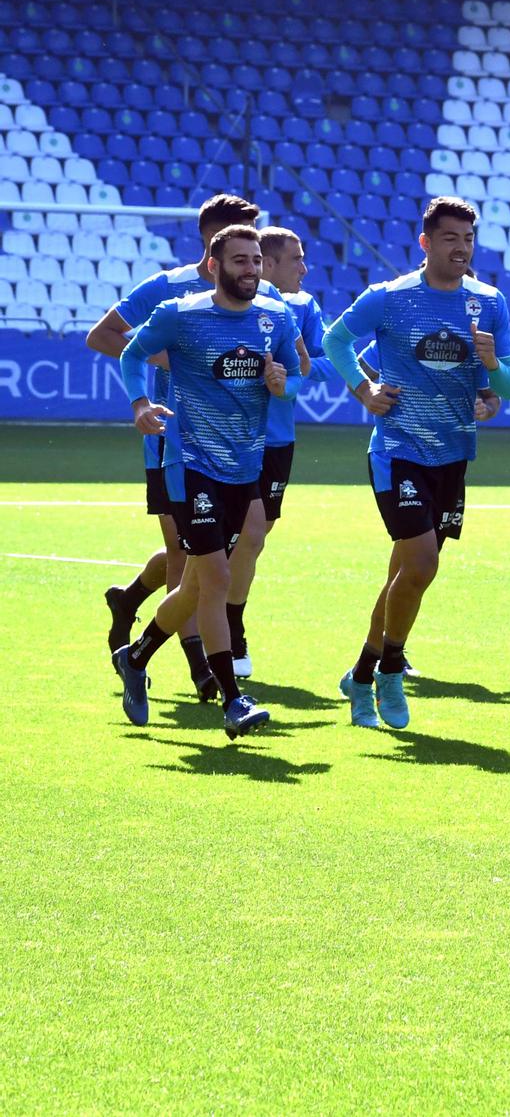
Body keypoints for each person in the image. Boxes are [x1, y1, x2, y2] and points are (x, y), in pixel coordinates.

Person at [323, 197, 510, 729]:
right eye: (451, 238)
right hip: (399, 450)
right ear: (426, 243)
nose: (462, 248)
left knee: (406, 575)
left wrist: (490, 370)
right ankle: (389, 671)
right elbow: (335, 339)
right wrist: (364, 388)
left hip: (454, 454)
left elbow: (507, 385)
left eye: (469, 239)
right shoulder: (389, 298)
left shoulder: (489, 302)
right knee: (421, 565)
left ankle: (361, 674)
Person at [111, 225, 302, 737]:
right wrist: (140, 403)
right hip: (189, 463)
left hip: (246, 468)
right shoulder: (181, 314)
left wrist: (284, 384)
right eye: (240, 261)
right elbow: (131, 354)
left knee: (197, 585)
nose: (251, 270)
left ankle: (137, 655)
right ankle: (233, 702)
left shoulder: (277, 317)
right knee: (215, 578)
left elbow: (297, 375)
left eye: (257, 260)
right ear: (215, 266)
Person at [86, 194, 267, 700]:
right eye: (238, 235)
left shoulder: (257, 292)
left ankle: (133, 600)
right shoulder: (168, 290)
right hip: (173, 440)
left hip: (236, 444)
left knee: (218, 549)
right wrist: (167, 362)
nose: (251, 251)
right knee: (191, 558)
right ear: (211, 241)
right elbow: (102, 335)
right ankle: (203, 672)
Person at [215, 225, 325, 682]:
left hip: (277, 440)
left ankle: (153, 605)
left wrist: (289, 370)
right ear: (269, 263)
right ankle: (227, 629)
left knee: (251, 540)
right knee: (238, 538)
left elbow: (322, 363)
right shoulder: (229, 306)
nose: (304, 267)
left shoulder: (303, 307)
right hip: (228, 438)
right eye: (295, 259)